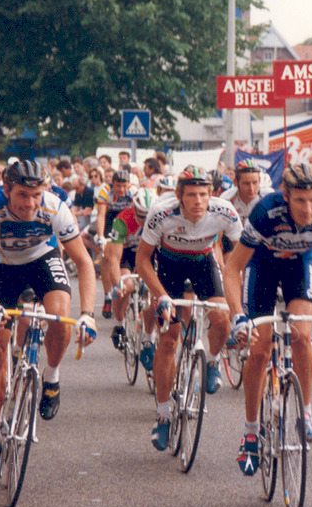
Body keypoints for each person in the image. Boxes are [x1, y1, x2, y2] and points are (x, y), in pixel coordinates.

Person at [0, 160, 97, 480]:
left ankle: (52, 376)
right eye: (22, 194)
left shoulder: (55, 207)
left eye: (36, 195)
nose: (30, 203)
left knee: (60, 314)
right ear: (6, 190)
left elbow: (83, 262)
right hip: (0, 268)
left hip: (42, 260)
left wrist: (88, 315)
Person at [223, 163, 312, 473]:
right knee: (259, 349)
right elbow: (233, 268)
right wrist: (238, 315)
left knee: (302, 335)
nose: (308, 209)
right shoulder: (265, 212)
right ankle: (250, 431)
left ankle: (305, 412)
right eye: (300, 201)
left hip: (299, 265)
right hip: (262, 265)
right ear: (286, 195)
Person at [135, 167, 242, 450]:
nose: (198, 201)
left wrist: (238, 300)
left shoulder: (225, 212)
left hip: (203, 263)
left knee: (222, 319)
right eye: (191, 195)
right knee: (169, 339)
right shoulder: (161, 212)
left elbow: (241, 256)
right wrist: (160, 296)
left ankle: (212, 361)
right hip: (169, 265)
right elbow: (142, 260)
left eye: (203, 194)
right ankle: (162, 415)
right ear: (179, 195)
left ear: (211, 194)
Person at [105, 188, 156, 353]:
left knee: (152, 291)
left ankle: (149, 338)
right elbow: (114, 258)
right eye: (141, 216)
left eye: (149, 216)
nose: (145, 221)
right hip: (127, 254)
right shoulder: (122, 220)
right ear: (133, 209)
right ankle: (119, 324)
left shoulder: (160, 219)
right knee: (125, 286)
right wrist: (116, 285)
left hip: (148, 254)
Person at [95, 169, 137, 319]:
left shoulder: (133, 191)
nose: (122, 189)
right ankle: (108, 296)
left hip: (127, 219)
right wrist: (101, 236)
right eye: (118, 186)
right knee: (107, 257)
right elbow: (101, 215)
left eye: (124, 186)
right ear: (112, 183)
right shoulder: (105, 191)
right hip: (110, 220)